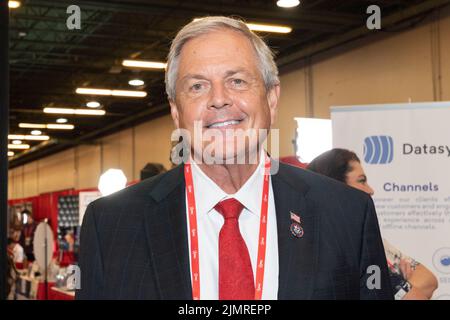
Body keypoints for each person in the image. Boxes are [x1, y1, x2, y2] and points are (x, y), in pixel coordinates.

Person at [76, 16, 393, 300]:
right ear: (176, 111)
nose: (219, 100)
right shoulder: (111, 226)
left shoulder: (347, 214)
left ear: (271, 97)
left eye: (237, 81)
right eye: (197, 86)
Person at [307, 148, 438, 300]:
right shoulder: (330, 247)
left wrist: (397, 284)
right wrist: (400, 280)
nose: (371, 190)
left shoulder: (366, 240)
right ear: (337, 187)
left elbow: (429, 281)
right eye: (361, 181)